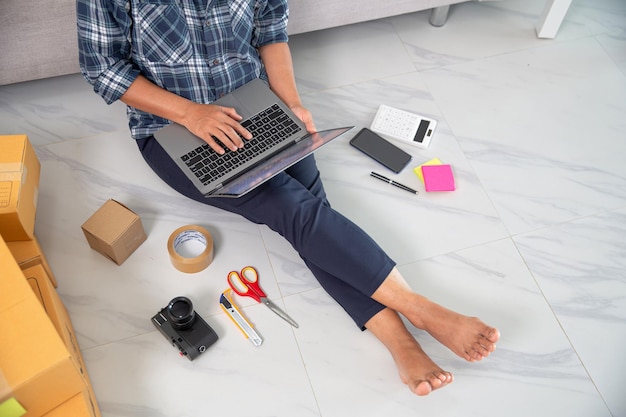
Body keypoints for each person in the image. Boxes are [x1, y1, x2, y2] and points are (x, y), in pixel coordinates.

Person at [77, 0, 500, 396]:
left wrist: (292, 105)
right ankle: (419, 311)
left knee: (311, 211)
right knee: (295, 209)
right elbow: (103, 68)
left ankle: (400, 339)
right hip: (173, 126)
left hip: (254, 106)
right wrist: (191, 113)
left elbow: (271, 31)